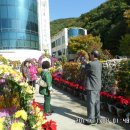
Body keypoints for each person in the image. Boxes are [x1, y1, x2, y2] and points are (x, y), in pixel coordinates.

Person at [85, 50, 102, 124]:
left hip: (92, 86)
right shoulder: (99, 63)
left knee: (91, 102)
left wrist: (84, 64)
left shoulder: (90, 64)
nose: (89, 56)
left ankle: (91, 119)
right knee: (97, 102)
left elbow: (86, 72)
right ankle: (98, 118)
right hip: (98, 85)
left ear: (93, 55)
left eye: (90, 55)